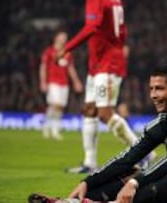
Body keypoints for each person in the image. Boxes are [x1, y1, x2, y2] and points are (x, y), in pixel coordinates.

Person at [28, 64, 167, 203]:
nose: (153, 95)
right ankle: (72, 202)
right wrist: (89, 181)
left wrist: (135, 184)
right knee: (132, 169)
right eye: (151, 89)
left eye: (159, 88)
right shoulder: (164, 121)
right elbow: (128, 155)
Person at [57, 0, 154, 173]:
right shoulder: (115, 1)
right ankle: (89, 162)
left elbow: (92, 27)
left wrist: (67, 48)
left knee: (104, 114)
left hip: (107, 64)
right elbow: (122, 31)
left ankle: (144, 152)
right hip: (99, 63)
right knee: (90, 111)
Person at [40, 31, 83, 140]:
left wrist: (76, 81)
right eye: (61, 37)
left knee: (59, 107)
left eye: (65, 37)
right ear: (56, 38)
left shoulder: (67, 53)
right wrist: (43, 82)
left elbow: (70, 68)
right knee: (55, 105)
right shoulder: (49, 51)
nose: (63, 39)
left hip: (64, 83)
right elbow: (43, 67)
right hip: (53, 82)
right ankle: (54, 130)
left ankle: (48, 127)